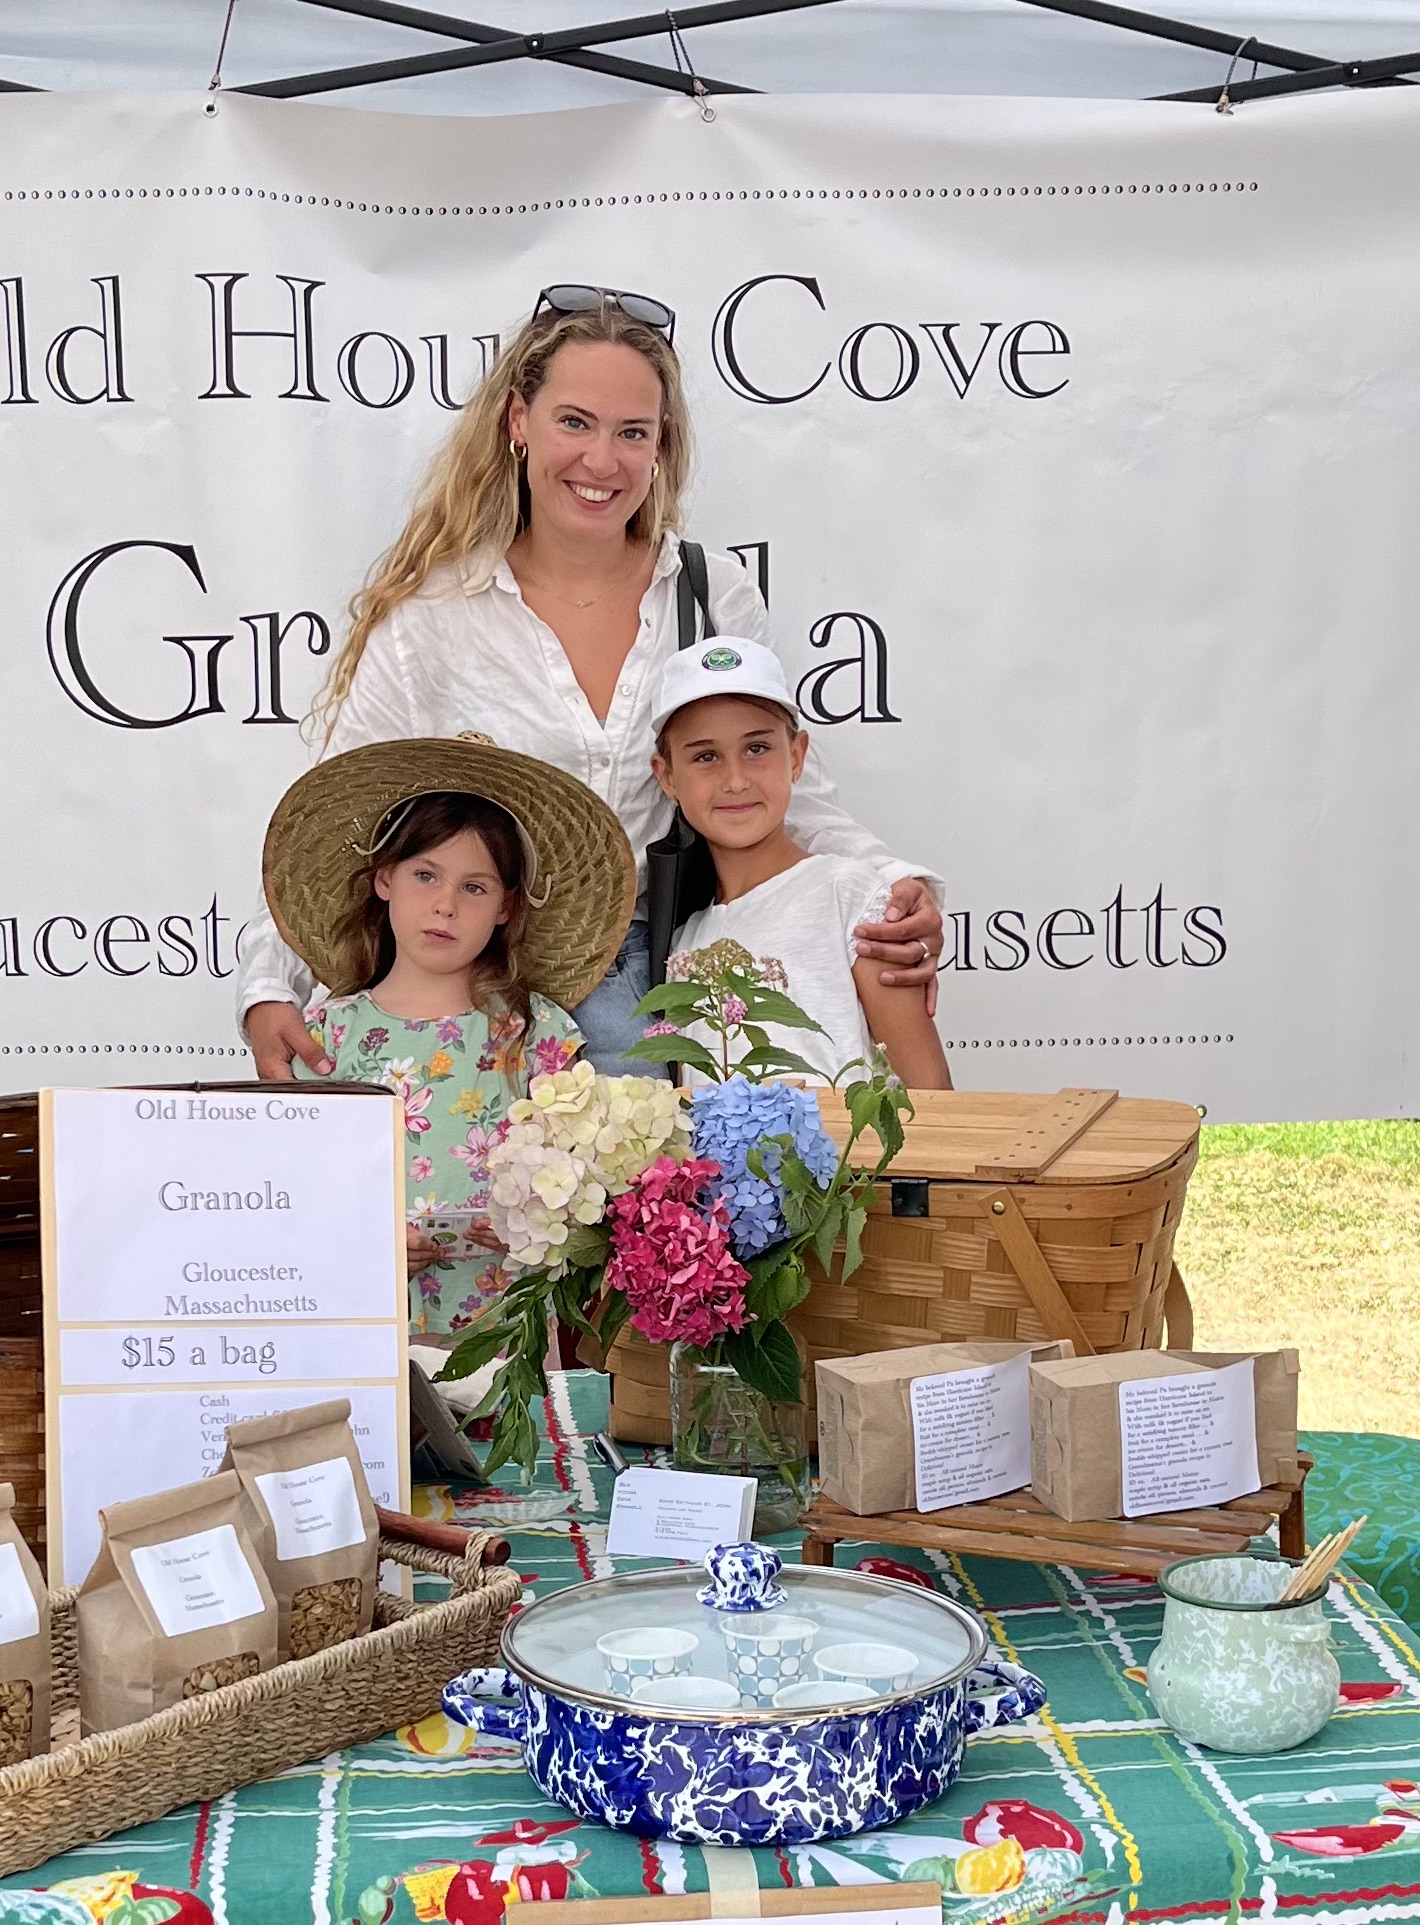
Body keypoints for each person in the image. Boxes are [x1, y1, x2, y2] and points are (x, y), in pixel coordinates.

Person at [238, 287, 941, 1081]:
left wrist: (892, 885)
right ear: (517, 422)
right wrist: (269, 985)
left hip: (682, 975)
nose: (602, 460)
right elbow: (339, 816)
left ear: (659, 444)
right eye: (574, 421)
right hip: (489, 988)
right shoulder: (434, 618)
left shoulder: (710, 595)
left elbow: (781, 786)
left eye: (631, 432)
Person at [257, 733, 637, 1336]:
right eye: (426, 875)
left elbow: (585, 1176)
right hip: (366, 1331)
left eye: (475, 887)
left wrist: (538, 1217)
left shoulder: (539, 1034)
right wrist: (366, 1240)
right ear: (384, 880)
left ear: (506, 908)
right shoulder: (327, 1035)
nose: (446, 906)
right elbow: (288, 1190)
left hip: (507, 1331)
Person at [650, 635, 953, 1091]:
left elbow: (932, 1098)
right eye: (706, 757)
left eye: (757, 749)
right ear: (667, 775)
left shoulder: (851, 898)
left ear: (796, 756)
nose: (735, 781)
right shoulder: (686, 941)